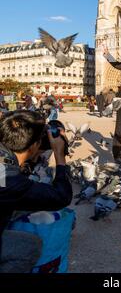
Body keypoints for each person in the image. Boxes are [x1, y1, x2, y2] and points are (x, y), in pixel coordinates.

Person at [0, 110, 72, 273]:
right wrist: (60, 156)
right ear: (33, 145)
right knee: (29, 246)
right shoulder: (11, 181)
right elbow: (61, 196)